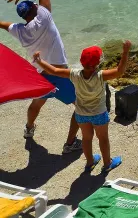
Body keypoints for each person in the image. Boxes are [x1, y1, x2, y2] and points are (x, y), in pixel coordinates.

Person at [0, 0, 82, 153]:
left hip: (40, 78)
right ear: (35, 9)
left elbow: (3, 24)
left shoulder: (20, 31)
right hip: (59, 76)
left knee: (36, 105)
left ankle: (29, 129)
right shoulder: (44, 19)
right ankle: (70, 143)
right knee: (82, 107)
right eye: (35, 6)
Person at [33, 41, 131, 173]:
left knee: (86, 138)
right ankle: (107, 163)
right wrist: (125, 52)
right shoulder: (101, 76)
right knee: (103, 138)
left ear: (81, 62)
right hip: (99, 114)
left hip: (81, 114)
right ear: (97, 63)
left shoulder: (74, 74)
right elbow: (120, 71)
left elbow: (54, 71)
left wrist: (39, 61)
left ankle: (90, 162)